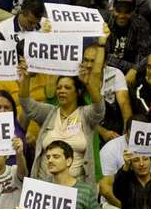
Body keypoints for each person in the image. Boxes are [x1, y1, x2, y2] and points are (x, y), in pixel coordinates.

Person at [18, 45, 104, 184]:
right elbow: (26, 104)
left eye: (67, 87)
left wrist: (88, 84)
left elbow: (99, 108)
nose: (61, 91)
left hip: (77, 189)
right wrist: (26, 78)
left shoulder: (86, 114)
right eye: (59, 88)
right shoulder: (49, 113)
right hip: (45, 185)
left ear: (78, 92)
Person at [104, 0, 151, 86]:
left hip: (134, 73)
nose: (122, 16)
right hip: (108, 68)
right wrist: (133, 67)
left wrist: (135, 70)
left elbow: (148, 53)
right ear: (113, 9)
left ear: (134, 11)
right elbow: (104, 56)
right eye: (118, 11)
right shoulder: (105, 21)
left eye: (127, 12)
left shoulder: (140, 23)